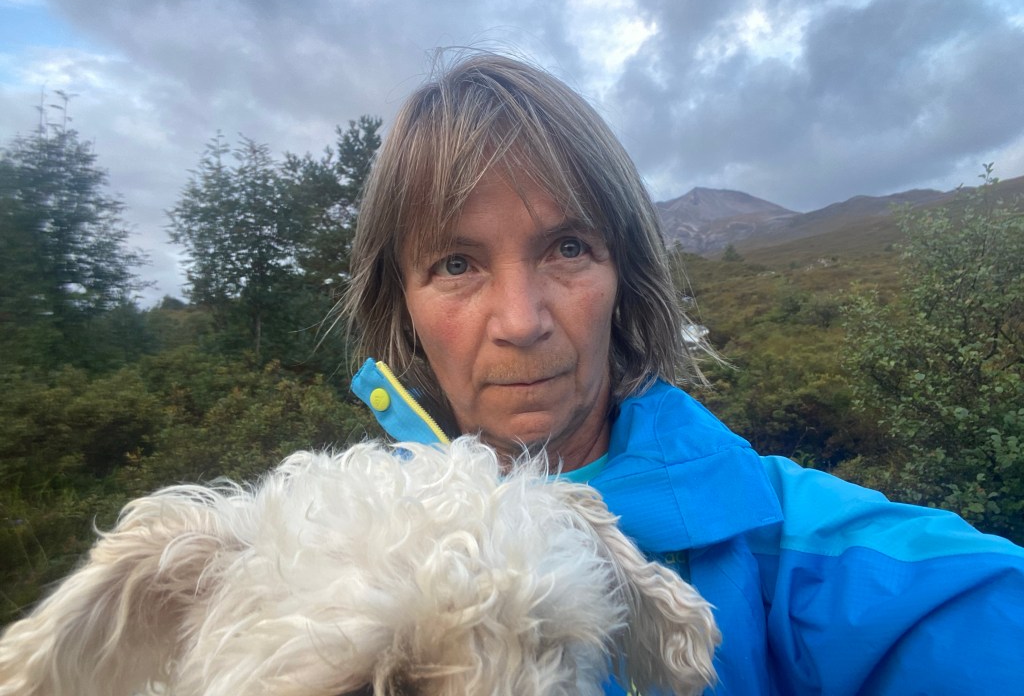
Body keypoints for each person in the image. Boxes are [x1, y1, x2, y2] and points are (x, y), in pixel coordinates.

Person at [342, 51, 1024, 695]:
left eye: (569, 249)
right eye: (456, 265)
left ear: (625, 280)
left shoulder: (783, 539)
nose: (521, 321)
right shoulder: (328, 570)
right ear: (402, 305)